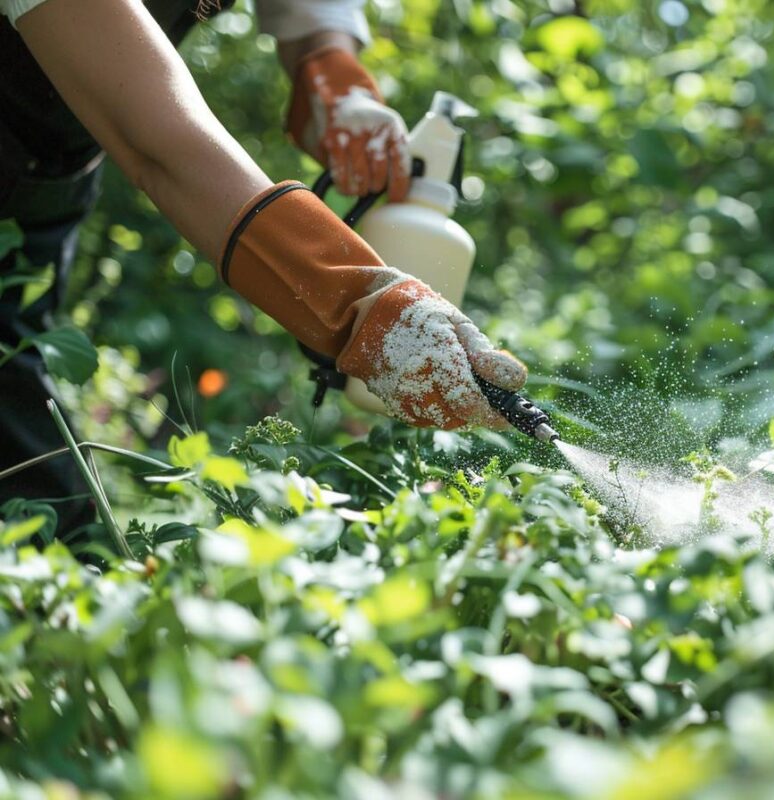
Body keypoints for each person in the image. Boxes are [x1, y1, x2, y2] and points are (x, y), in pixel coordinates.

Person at [0, 0, 526, 531]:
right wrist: (360, 306)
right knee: (36, 504)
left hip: (48, 170)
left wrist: (333, 77)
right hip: (67, 127)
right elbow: (160, 142)